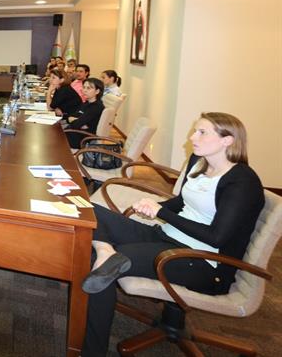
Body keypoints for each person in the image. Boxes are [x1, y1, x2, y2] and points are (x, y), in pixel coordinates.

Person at [81, 112, 264, 357]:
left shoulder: (242, 181)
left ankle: (92, 352)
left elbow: (216, 237)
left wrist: (162, 212)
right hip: (165, 236)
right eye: (195, 131)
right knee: (90, 210)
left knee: (103, 267)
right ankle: (105, 250)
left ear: (227, 140)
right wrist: (154, 206)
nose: (192, 137)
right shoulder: (199, 162)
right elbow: (182, 202)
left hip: (201, 261)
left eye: (202, 132)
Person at [64, 77, 104, 148]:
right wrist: (77, 121)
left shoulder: (96, 107)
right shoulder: (87, 102)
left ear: (97, 91)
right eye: (84, 87)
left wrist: (76, 120)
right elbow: (71, 116)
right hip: (76, 132)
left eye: (88, 88)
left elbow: (76, 124)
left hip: (82, 138)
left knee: (54, 137)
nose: (84, 90)